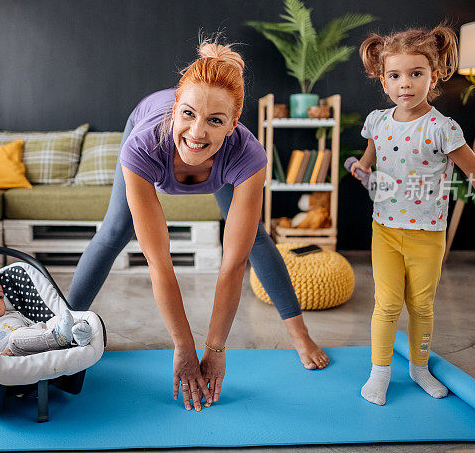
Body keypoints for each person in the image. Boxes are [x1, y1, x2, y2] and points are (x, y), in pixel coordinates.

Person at [68, 40, 329, 412]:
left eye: (215, 121)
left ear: (232, 125)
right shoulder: (142, 147)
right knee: (115, 232)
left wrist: (215, 349)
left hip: (221, 164)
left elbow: (233, 265)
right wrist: (184, 347)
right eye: (188, 114)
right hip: (145, 129)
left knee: (253, 239)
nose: (197, 132)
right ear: (175, 109)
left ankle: (300, 335)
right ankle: (59, 331)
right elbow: (160, 264)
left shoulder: (247, 155)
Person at [351, 25, 475, 406]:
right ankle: (379, 372)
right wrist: (361, 168)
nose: (405, 84)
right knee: (387, 304)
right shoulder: (377, 120)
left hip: (427, 235)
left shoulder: (443, 128)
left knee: (422, 306)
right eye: (395, 75)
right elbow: (371, 155)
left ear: (435, 75)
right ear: (383, 80)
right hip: (385, 231)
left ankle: (419, 367)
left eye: (416, 74)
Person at [0, 276, 92, 356]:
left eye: (0, 296)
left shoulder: (13, 315)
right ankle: (59, 337)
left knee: (55, 319)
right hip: (17, 351)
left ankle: (79, 333)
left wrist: (48, 326)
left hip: (41, 337)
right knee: (15, 338)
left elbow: (33, 325)